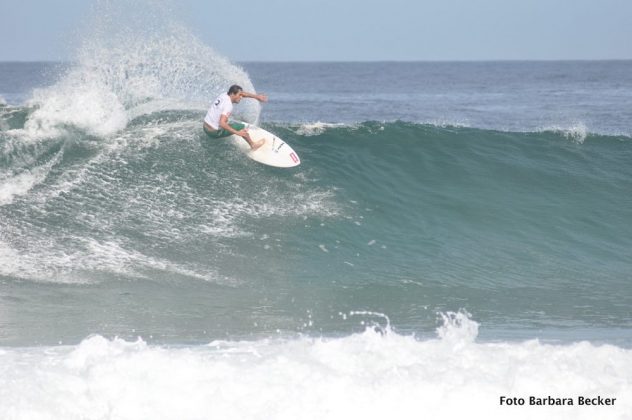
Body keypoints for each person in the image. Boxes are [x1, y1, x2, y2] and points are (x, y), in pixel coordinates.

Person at [203, 85, 268, 150]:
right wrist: (237, 132)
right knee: (240, 127)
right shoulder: (228, 106)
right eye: (239, 95)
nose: (241, 97)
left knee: (227, 120)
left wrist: (256, 97)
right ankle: (253, 145)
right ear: (232, 94)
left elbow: (243, 93)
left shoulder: (224, 95)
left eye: (241, 95)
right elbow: (222, 123)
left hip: (205, 126)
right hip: (213, 132)